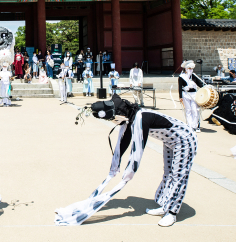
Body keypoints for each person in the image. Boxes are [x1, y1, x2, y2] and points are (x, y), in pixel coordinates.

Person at [56, 96, 197, 228]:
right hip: (170, 141)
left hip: (185, 140)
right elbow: (124, 142)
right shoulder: (131, 118)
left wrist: (127, 175)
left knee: (178, 175)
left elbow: (137, 150)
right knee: (167, 173)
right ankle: (165, 205)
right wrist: (114, 167)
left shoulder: (141, 119)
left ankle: (172, 212)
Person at [178, 60, 204, 132]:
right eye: (189, 68)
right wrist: (180, 96)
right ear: (186, 69)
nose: (191, 70)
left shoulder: (194, 76)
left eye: (192, 69)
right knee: (188, 110)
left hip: (194, 94)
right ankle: (189, 126)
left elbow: (200, 84)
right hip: (186, 94)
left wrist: (205, 87)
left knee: (195, 110)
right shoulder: (181, 76)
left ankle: (195, 125)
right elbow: (180, 87)